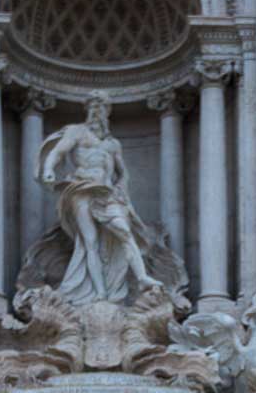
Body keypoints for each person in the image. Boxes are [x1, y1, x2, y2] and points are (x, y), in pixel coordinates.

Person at [37, 91, 162, 304]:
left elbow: (122, 172)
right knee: (90, 241)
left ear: (107, 112)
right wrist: (49, 168)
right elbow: (58, 152)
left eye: (102, 107)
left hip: (106, 194)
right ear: (88, 110)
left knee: (124, 231)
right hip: (81, 189)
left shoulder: (113, 144)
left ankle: (141, 277)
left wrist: (122, 189)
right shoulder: (77, 132)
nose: (98, 111)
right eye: (94, 106)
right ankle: (100, 293)